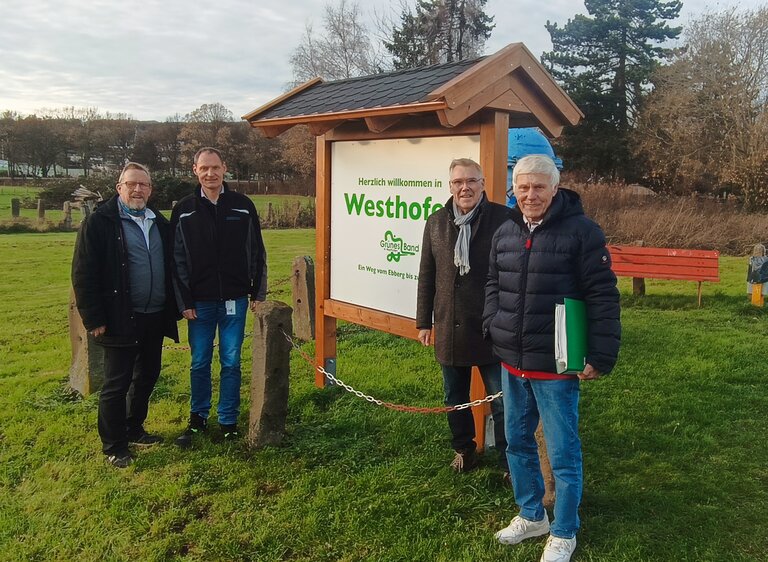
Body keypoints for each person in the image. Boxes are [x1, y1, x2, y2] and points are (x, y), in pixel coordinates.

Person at [483, 155, 620, 562]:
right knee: (517, 442)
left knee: (562, 452)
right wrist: (492, 323)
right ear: (514, 190)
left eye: (539, 186)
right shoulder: (506, 229)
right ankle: (531, 514)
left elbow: (602, 296)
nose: (530, 195)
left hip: (556, 365)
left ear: (555, 188)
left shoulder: (583, 232)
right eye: (523, 187)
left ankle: (564, 530)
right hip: (512, 362)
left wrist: (600, 353)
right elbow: (493, 282)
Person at [72, 162, 179, 468]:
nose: (137, 189)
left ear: (150, 190)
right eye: (131, 184)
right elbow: (83, 273)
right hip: (119, 316)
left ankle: (134, 428)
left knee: (147, 375)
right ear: (119, 188)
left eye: (143, 184)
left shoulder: (159, 222)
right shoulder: (99, 223)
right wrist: (94, 318)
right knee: (116, 384)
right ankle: (114, 445)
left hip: (154, 314)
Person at [416, 157, 512, 475]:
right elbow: (427, 274)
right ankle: (464, 449)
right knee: (454, 396)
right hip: (450, 325)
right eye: (458, 182)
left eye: (471, 181)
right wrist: (423, 321)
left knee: (502, 399)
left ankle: (509, 461)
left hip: (491, 327)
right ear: (450, 186)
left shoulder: (503, 219)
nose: (465, 188)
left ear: (482, 184)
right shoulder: (436, 222)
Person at [171, 147, 267, 447]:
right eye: (204, 168)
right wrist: (184, 301)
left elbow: (257, 250)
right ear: (195, 170)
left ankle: (228, 420)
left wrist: (257, 291)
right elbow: (176, 260)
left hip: (235, 299)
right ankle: (198, 418)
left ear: (224, 168)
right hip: (198, 303)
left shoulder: (242, 206)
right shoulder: (184, 209)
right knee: (200, 361)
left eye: (215, 167)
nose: (210, 173)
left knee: (231, 361)